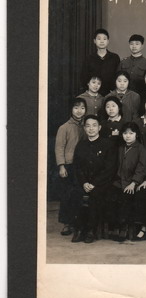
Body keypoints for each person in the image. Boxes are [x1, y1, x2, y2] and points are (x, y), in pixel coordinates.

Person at [72, 115, 117, 243]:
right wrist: (84, 182)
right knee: (74, 194)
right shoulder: (81, 145)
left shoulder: (107, 144)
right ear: (84, 128)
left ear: (99, 127)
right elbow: (77, 167)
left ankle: (90, 230)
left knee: (95, 196)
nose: (91, 129)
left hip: (101, 183)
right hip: (84, 182)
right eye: (88, 126)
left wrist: (94, 183)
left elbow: (109, 168)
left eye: (94, 125)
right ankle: (78, 229)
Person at [108, 122, 146, 242]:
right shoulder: (121, 148)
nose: (128, 136)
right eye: (125, 133)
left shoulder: (141, 149)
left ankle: (124, 227)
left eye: (131, 133)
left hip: (132, 183)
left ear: (136, 134)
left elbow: (142, 168)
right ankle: (115, 226)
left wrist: (133, 183)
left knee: (126, 198)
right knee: (111, 197)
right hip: (119, 181)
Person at [55, 97, 87, 237]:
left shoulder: (87, 126)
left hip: (82, 166)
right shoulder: (64, 127)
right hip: (69, 165)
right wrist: (61, 166)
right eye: (76, 108)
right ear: (71, 109)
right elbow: (59, 148)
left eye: (82, 108)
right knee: (67, 195)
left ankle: (78, 222)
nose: (79, 111)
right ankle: (66, 223)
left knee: (78, 194)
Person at [80, 28, 120, 96]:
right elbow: (84, 78)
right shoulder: (89, 58)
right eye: (99, 39)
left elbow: (118, 76)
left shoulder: (115, 58)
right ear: (94, 41)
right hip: (93, 94)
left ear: (108, 41)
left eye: (104, 39)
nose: (102, 41)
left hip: (111, 94)